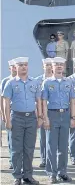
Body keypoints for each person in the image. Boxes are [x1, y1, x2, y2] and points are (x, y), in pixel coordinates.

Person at [2, 57, 43, 185]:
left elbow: (39, 101)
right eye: (21, 65)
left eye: (25, 65)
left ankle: (28, 175)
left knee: (29, 148)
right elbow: (6, 102)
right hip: (17, 118)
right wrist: (7, 120)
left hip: (31, 117)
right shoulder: (11, 83)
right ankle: (17, 176)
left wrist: (40, 116)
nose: (24, 67)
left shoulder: (34, 82)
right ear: (16, 67)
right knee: (16, 149)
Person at [41, 57, 75, 183]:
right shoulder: (47, 83)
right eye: (57, 64)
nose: (59, 66)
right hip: (52, 115)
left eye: (61, 64)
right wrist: (45, 118)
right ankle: (52, 173)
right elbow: (44, 102)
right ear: (52, 66)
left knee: (63, 146)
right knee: (51, 146)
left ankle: (62, 172)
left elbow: (72, 101)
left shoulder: (68, 82)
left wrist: (73, 117)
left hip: (65, 115)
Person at [35, 58, 53, 168]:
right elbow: (36, 98)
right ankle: (43, 159)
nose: (49, 67)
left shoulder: (58, 79)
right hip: (42, 112)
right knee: (43, 137)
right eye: (46, 65)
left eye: (50, 65)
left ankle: (52, 159)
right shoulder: (37, 81)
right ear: (43, 66)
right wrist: (39, 114)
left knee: (53, 138)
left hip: (53, 111)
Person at [0, 59, 17, 170]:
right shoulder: (5, 81)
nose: (14, 69)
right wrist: (2, 113)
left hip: (19, 111)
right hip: (9, 111)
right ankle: (12, 160)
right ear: (9, 68)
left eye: (16, 66)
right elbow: (2, 99)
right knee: (11, 138)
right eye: (12, 67)